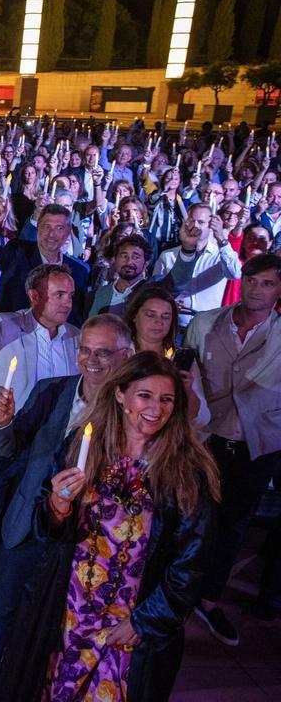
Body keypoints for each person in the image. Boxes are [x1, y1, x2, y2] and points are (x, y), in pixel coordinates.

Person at [0, 352, 219, 702]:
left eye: (167, 400)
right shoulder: (83, 448)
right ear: (120, 394)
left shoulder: (186, 473)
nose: (156, 409)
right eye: (145, 395)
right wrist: (58, 505)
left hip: (126, 625)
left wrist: (146, 622)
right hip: (69, 610)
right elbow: (48, 530)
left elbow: (191, 563)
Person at [0, 314, 136, 702]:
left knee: (52, 620)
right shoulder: (53, 390)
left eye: (104, 353)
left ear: (127, 355)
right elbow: (9, 451)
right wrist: (2, 425)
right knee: (2, 604)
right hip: (27, 522)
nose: (91, 360)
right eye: (85, 350)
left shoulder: (131, 413)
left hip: (83, 539)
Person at [0, 263, 81, 641]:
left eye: (70, 295)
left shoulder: (74, 337)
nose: (66, 302)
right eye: (58, 295)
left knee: (16, 526)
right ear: (34, 296)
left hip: (40, 454)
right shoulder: (6, 325)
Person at [184, 253, 281, 643]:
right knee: (188, 518)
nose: (257, 289)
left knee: (233, 526)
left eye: (268, 283)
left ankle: (207, 599)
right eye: (252, 280)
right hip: (204, 441)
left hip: (254, 447)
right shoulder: (206, 323)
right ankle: (174, 589)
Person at [0, 201, 90, 327]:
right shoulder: (18, 251)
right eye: (46, 226)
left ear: (68, 232)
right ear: (38, 227)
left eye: (59, 228)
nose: (52, 234)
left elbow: (76, 316)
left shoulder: (78, 272)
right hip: (12, 334)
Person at [153, 203, 240, 326]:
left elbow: (235, 273)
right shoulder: (168, 256)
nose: (195, 226)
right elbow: (156, 292)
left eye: (201, 222)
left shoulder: (220, 256)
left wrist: (220, 237)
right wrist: (169, 302)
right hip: (174, 325)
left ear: (211, 226)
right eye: (191, 221)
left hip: (207, 328)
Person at [88, 233, 151, 318]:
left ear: (146, 264)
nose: (129, 262)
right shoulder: (98, 294)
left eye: (136, 257)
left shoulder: (150, 293)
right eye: (124, 256)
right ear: (115, 259)